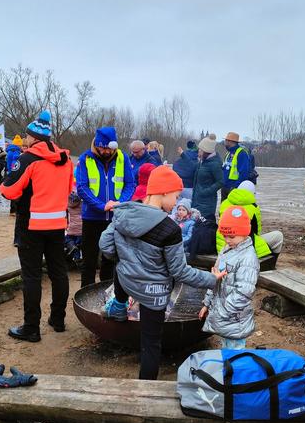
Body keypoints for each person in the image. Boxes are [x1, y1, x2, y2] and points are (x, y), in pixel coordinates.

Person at [99, 166, 224, 379]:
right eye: (176, 196)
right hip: (153, 294)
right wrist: (212, 279)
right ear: (164, 192)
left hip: (127, 281)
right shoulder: (170, 229)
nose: (177, 203)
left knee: (121, 268)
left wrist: (128, 261)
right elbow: (180, 272)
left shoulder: (123, 212)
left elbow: (106, 247)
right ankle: (147, 389)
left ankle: (119, 305)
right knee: (150, 344)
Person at [1, 110, 74, 342]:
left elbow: (9, 190)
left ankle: (31, 327)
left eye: (27, 136)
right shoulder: (66, 160)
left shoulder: (27, 159)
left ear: (33, 137)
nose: (25, 140)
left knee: (31, 277)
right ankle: (58, 319)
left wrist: (7, 184)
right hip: (58, 224)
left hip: (31, 224)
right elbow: (69, 189)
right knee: (59, 273)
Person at [76, 126, 136, 288]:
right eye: (103, 148)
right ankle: (86, 293)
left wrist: (119, 203)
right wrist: (101, 206)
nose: (107, 152)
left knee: (110, 260)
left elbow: (130, 185)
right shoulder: (85, 159)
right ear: (97, 145)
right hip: (92, 218)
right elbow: (82, 187)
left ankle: (108, 293)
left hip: (115, 217)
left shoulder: (123, 158)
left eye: (110, 148)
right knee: (89, 260)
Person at [199, 205, 259, 349]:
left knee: (235, 352)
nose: (227, 240)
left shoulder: (248, 258)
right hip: (223, 314)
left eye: (231, 236)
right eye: (224, 236)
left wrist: (223, 310)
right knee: (226, 348)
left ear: (245, 233)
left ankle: (235, 370)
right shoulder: (226, 251)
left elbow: (244, 291)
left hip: (235, 317)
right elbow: (214, 279)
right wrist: (207, 303)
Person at [216, 180, 283, 258]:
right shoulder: (253, 207)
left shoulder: (224, 203)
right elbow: (257, 231)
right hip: (243, 249)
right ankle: (269, 264)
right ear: (252, 193)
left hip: (222, 246)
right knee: (278, 236)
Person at [191, 134, 223, 222]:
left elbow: (220, 182)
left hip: (207, 203)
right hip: (197, 200)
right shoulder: (203, 162)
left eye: (200, 150)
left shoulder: (215, 164)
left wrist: (205, 192)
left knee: (204, 226)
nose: (198, 152)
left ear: (206, 151)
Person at [221, 131, 251, 198]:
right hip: (225, 187)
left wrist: (235, 187)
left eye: (226, 140)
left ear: (231, 142)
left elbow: (244, 173)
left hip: (234, 188)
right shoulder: (228, 153)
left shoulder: (241, 153)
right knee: (224, 208)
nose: (225, 142)